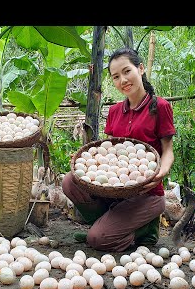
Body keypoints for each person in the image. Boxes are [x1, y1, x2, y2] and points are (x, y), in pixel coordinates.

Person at [62, 47, 176, 252]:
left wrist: (162, 172)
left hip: (146, 193)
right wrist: (91, 160)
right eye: (116, 76)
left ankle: (142, 231)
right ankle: (102, 227)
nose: (122, 80)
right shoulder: (115, 111)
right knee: (70, 181)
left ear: (140, 68)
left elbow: (168, 150)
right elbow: (110, 152)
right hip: (116, 191)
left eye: (127, 71)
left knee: (98, 241)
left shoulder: (160, 106)